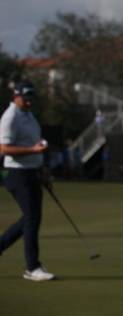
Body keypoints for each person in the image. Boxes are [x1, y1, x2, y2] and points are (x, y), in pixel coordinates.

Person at [0, 81, 56, 281]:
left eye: (31, 97)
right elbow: (4, 149)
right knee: (32, 217)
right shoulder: (10, 117)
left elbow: (33, 144)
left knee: (31, 217)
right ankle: (32, 268)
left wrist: (43, 171)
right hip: (16, 173)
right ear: (16, 96)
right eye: (26, 97)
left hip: (32, 171)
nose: (30, 101)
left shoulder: (28, 114)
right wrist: (33, 150)